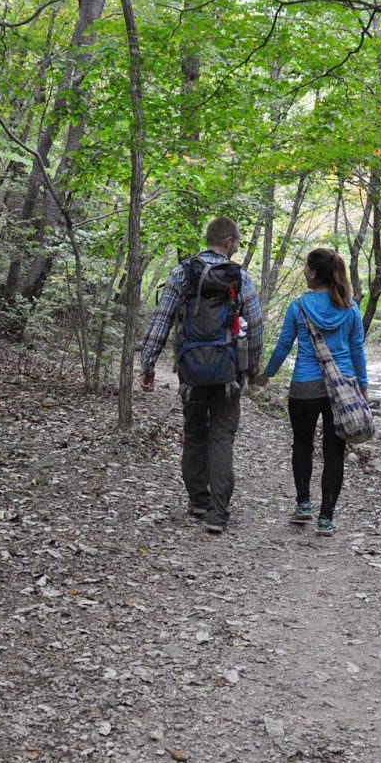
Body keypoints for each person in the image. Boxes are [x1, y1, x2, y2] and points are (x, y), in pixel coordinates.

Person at [138, 218, 264, 534]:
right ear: (227, 240)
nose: (237, 247)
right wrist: (252, 368)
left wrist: (148, 365)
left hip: (191, 370)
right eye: (236, 241)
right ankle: (218, 513)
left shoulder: (182, 273)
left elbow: (161, 319)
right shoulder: (239, 277)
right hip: (228, 373)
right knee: (222, 436)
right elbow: (256, 326)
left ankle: (198, 501)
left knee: (195, 432)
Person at [262, 248, 367, 537]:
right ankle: (326, 517)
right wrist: (363, 388)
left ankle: (303, 504)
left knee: (302, 445)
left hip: (304, 385)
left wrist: (266, 374)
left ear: (313, 272)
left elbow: (284, 345)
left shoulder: (299, 306)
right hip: (343, 385)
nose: (304, 272)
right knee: (335, 453)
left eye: (306, 268)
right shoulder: (349, 307)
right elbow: (357, 349)